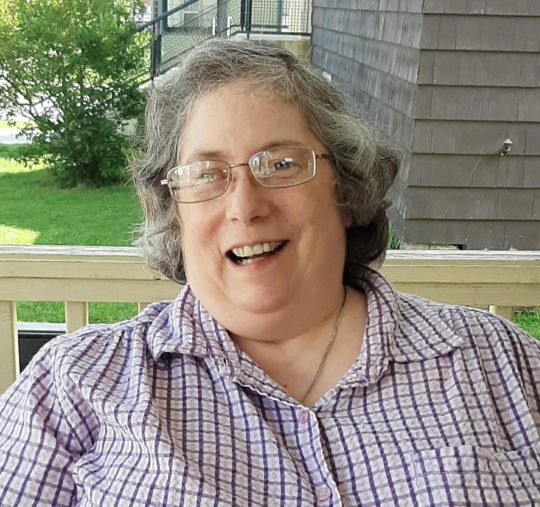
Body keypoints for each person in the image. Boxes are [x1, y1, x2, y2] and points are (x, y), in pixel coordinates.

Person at [0, 39, 539, 506]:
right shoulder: (74, 386)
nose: (244, 206)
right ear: (175, 214)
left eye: (280, 164)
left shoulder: (502, 364)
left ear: (345, 191)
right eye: (206, 174)